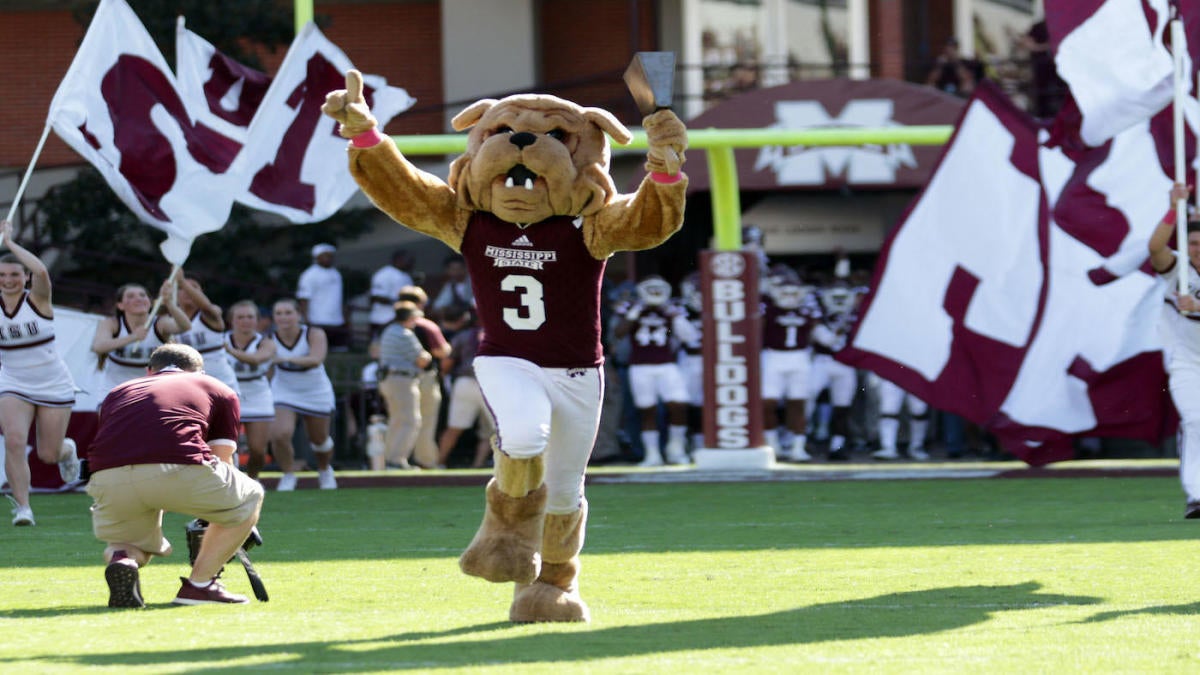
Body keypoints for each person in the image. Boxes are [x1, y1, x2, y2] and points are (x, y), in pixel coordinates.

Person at [86, 343, 264, 607]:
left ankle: (123, 559)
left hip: (107, 474)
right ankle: (200, 585)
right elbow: (222, 459)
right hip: (176, 467)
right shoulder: (217, 388)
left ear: (149, 372)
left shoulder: (119, 391)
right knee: (251, 494)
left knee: (130, 543)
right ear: (199, 372)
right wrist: (229, 517)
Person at [0, 220, 81, 526]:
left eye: (14, 274)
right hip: (12, 381)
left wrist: (10, 243)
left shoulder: (37, 299)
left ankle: (67, 450)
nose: (8, 280)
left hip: (52, 382)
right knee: (15, 440)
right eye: (2, 275)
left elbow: (42, 272)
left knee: (49, 453)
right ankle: (23, 508)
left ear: (23, 277)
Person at [1149, 183, 1200, 518]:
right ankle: (1197, 495)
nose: (1198, 249)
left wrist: (1196, 305)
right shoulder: (1179, 269)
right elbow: (1155, 249)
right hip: (1188, 361)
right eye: (1193, 243)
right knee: (1196, 421)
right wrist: (1174, 209)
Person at [614, 276, 698, 466]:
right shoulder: (631, 307)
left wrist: (673, 315)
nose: (654, 293)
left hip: (667, 364)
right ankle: (652, 454)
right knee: (647, 410)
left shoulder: (672, 309)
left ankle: (675, 448)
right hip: (640, 366)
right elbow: (619, 333)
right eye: (650, 289)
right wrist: (635, 312)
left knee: (679, 405)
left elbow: (689, 336)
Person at [268, 298, 337, 491]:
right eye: (279, 313)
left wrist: (285, 358)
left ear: (299, 315)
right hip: (284, 390)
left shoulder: (314, 333)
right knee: (280, 434)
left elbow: (316, 359)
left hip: (315, 390)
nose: (283, 317)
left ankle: (324, 470)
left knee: (319, 439)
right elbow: (263, 364)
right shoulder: (268, 339)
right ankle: (288, 474)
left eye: (288, 312)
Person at [91, 275, 192, 397]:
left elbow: (185, 326)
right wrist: (133, 337)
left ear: (149, 302)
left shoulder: (160, 323)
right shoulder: (111, 323)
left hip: (151, 391)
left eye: (143, 295)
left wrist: (170, 303)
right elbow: (98, 347)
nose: (138, 299)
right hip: (115, 390)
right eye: (130, 296)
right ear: (120, 305)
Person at [760, 274, 822, 463]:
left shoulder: (807, 311)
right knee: (768, 403)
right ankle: (772, 445)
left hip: (799, 357)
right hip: (773, 357)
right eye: (784, 292)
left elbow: (817, 334)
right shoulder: (768, 310)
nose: (789, 297)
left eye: (793, 293)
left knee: (798, 404)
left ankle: (797, 447)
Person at [397, 285, 451, 468]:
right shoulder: (426, 325)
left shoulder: (391, 324)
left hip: (398, 379)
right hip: (424, 378)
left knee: (400, 420)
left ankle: (396, 460)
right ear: (420, 304)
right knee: (425, 422)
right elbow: (442, 351)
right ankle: (426, 461)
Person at [223, 300, 276, 479]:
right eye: (240, 317)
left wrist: (229, 351)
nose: (245, 321)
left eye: (250, 317)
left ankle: (252, 479)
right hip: (228, 393)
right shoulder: (221, 340)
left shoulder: (266, 342)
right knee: (227, 447)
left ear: (257, 320)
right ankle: (232, 482)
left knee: (258, 450)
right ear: (231, 320)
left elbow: (256, 359)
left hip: (258, 393)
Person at [377, 301, 432, 470]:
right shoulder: (404, 334)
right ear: (408, 318)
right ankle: (397, 461)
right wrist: (428, 356)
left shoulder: (388, 331)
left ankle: (390, 460)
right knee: (411, 421)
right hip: (402, 381)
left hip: (389, 380)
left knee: (397, 420)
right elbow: (422, 359)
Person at [436, 312, 494, 468]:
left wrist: (443, 377)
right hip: (492, 384)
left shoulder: (463, 335)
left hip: (465, 382)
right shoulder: (500, 334)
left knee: (454, 428)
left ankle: (439, 463)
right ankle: (478, 466)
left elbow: (447, 363)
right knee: (496, 430)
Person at [173, 276, 239, 394]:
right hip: (190, 388)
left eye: (194, 287)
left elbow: (207, 307)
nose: (188, 291)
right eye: (182, 288)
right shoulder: (170, 321)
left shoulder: (211, 313)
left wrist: (182, 282)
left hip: (223, 385)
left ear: (201, 293)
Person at [296, 243, 349, 352]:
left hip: (337, 321)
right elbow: (303, 299)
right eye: (326, 255)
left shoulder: (336, 274)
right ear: (317, 257)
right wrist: (306, 319)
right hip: (317, 321)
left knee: (339, 351)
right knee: (318, 351)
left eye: (331, 256)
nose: (329, 258)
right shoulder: (309, 275)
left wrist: (344, 317)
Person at [871, 376, 931, 461]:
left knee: (919, 410)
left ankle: (917, 447)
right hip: (892, 371)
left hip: (916, 373)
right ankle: (888, 447)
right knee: (888, 410)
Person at [368, 249, 414, 338]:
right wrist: (399, 303)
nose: (411, 264)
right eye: (409, 260)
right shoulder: (384, 274)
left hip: (401, 319)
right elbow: (375, 297)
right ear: (399, 259)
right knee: (378, 347)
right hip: (383, 319)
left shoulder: (406, 275)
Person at [429, 253, 475, 318]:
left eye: (459, 268)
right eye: (453, 269)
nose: (456, 272)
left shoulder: (474, 282)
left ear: (466, 268)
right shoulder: (450, 285)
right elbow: (438, 306)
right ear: (447, 270)